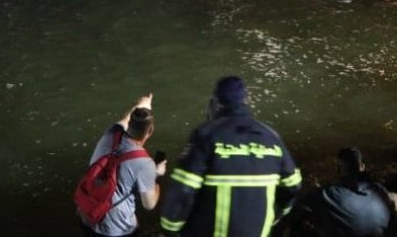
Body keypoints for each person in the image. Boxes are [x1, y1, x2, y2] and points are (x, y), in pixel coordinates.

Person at [160, 76, 302, 236]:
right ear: (245, 100)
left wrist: (170, 228)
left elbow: (184, 188)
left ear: (216, 103)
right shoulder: (271, 136)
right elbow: (293, 185)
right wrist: (276, 215)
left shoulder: (206, 134)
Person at [79, 94, 167, 237]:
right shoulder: (146, 163)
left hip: (87, 216)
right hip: (115, 231)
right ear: (150, 131)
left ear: (130, 123)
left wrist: (143, 104)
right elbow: (149, 205)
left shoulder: (111, 133)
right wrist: (155, 177)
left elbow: (125, 119)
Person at [281, 147, 393, 237]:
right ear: (362, 166)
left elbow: (297, 206)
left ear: (339, 169)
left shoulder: (328, 194)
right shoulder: (380, 190)